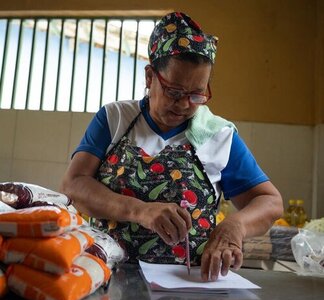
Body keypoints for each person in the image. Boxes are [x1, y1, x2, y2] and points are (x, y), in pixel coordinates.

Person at [60, 11, 283, 281]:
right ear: (150, 77)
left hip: (187, 285)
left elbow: (269, 201)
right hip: (105, 276)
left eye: (197, 94)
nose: (185, 104)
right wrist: (139, 210)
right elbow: (74, 184)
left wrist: (233, 227)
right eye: (174, 92)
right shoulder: (115, 118)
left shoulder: (217, 134)